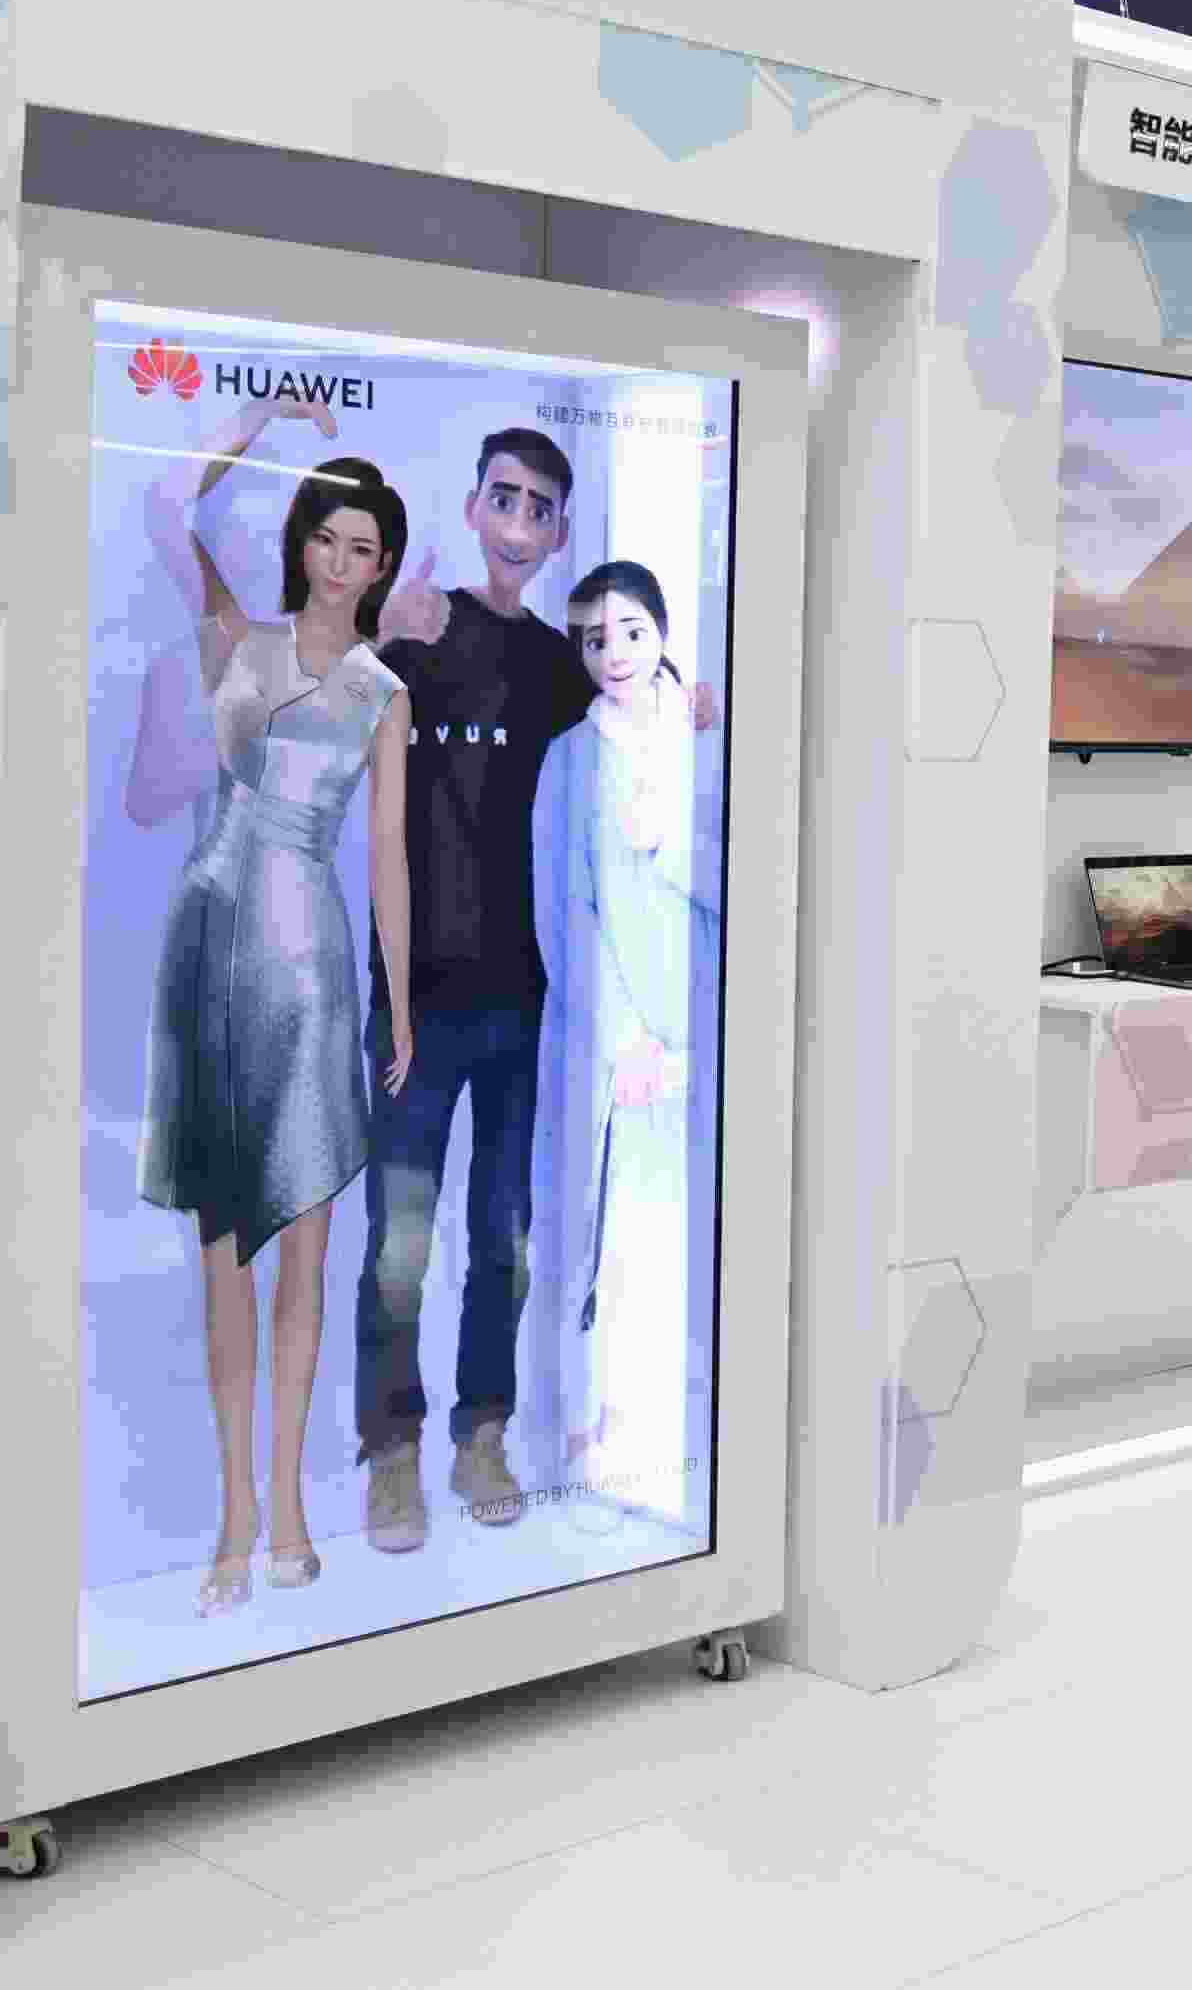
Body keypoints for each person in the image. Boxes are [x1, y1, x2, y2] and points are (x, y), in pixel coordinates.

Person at [356, 430, 715, 1554]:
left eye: (540, 506)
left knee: (502, 1236)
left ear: (559, 530)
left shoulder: (562, 665)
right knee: (400, 1242)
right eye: (503, 497)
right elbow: (319, 696)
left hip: (524, 1002)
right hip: (414, 1000)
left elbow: (634, 694)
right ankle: (391, 1455)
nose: (519, 520)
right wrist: (375, 625)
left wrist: (692, 698)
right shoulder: (419, 629)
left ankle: (483, 1436)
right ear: (473, 505)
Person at [138, 396, 416, 1614]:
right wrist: (258, 415)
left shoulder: (382, 693)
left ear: (384, 567)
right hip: (209, 945)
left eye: (366, 550)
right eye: (329, 540)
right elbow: (170, 505)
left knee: (305, 1241)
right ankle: (235, 1515)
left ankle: (292, 1505)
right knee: (223, 1254)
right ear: (303, 539)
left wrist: (399, 1005)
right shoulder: (238, 643)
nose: (343, 564)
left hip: (312, 966)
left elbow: (389, 857)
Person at [553, 561, 720, 1516]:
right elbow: (564, 911)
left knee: (706, 1235)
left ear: (661, 633)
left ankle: (693, 1428)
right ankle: (611, 1427)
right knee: (618, 1238)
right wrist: (623, 1038)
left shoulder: (708, 740)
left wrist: (676, 839)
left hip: (714, 1029)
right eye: (594, 639)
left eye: (631, 632)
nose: (613, 654)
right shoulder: (570, 762)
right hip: (626, 1049)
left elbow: (748, 877)